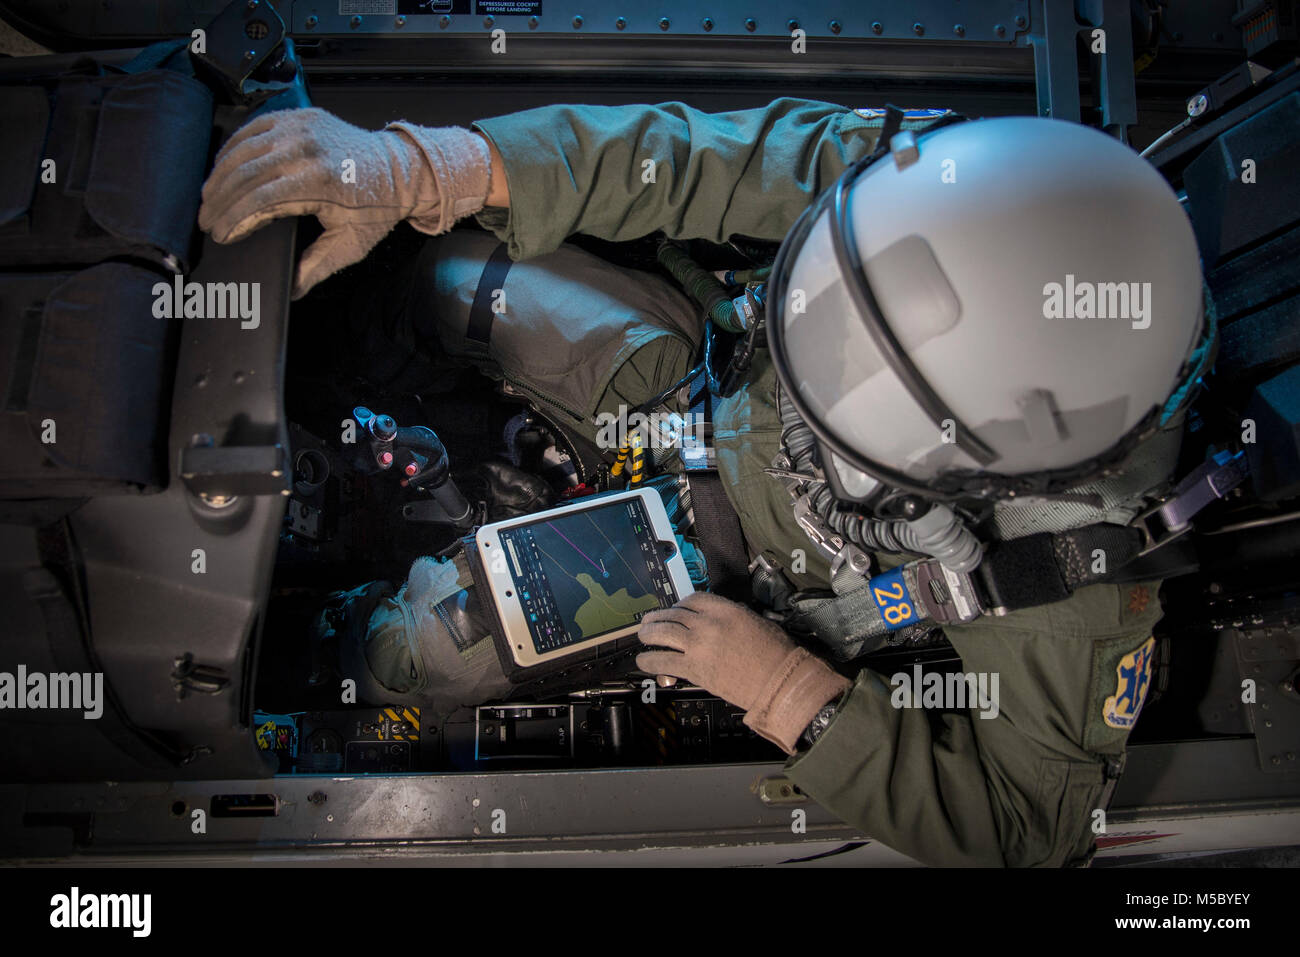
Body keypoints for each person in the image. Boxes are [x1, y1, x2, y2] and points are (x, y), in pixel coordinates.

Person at [198, 98, 1210, 866]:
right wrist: (425, 167)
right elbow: (686, 161)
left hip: (717, 572)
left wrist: (787, 692)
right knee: (445, 278)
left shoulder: (1069, 558)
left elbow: (1030, 826)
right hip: (683, 389)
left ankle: (291, 637)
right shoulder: (940, 180)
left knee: (413, 653)